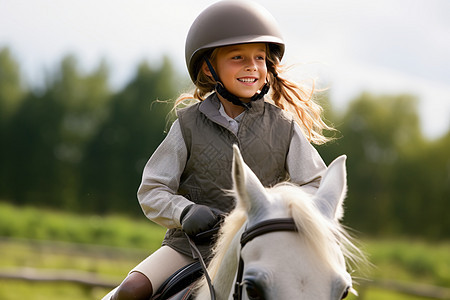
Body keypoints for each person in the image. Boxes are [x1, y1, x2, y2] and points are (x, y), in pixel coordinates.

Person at [105, 1, 334, 299]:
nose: (252, 66)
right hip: (190, 248)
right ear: (209, 69)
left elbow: (316, 187)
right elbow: (152, 189)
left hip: (259, 249)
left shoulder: (285, 127)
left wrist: (278, 213)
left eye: (260, 57)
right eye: (238, 57)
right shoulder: (187, 125)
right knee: (132, 290)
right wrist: (185, 212)